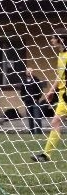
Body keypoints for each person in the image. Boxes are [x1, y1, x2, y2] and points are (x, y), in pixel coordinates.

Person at [31, 30, 67, 162]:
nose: (51, 40)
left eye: (53, 38)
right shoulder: (61, 55)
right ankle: (46, 155)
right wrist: (51, 91)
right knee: (55, 122)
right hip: (63, 96)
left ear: (61, 39)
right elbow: (59, 76)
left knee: (55, 122)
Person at [19, 67, 44, 135]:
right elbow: (22, 91)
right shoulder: (24, 81)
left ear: (32, 72)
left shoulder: (36, 80)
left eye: (30, 71)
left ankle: (39, 132)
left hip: (35, 101)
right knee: (30, 118)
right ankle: (31, 132)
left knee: (37, 117)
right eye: (27, 71)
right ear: (26, 72)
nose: (29, 73)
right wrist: (24, 99)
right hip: (27, 102)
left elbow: (40, 90)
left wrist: (37, 98)